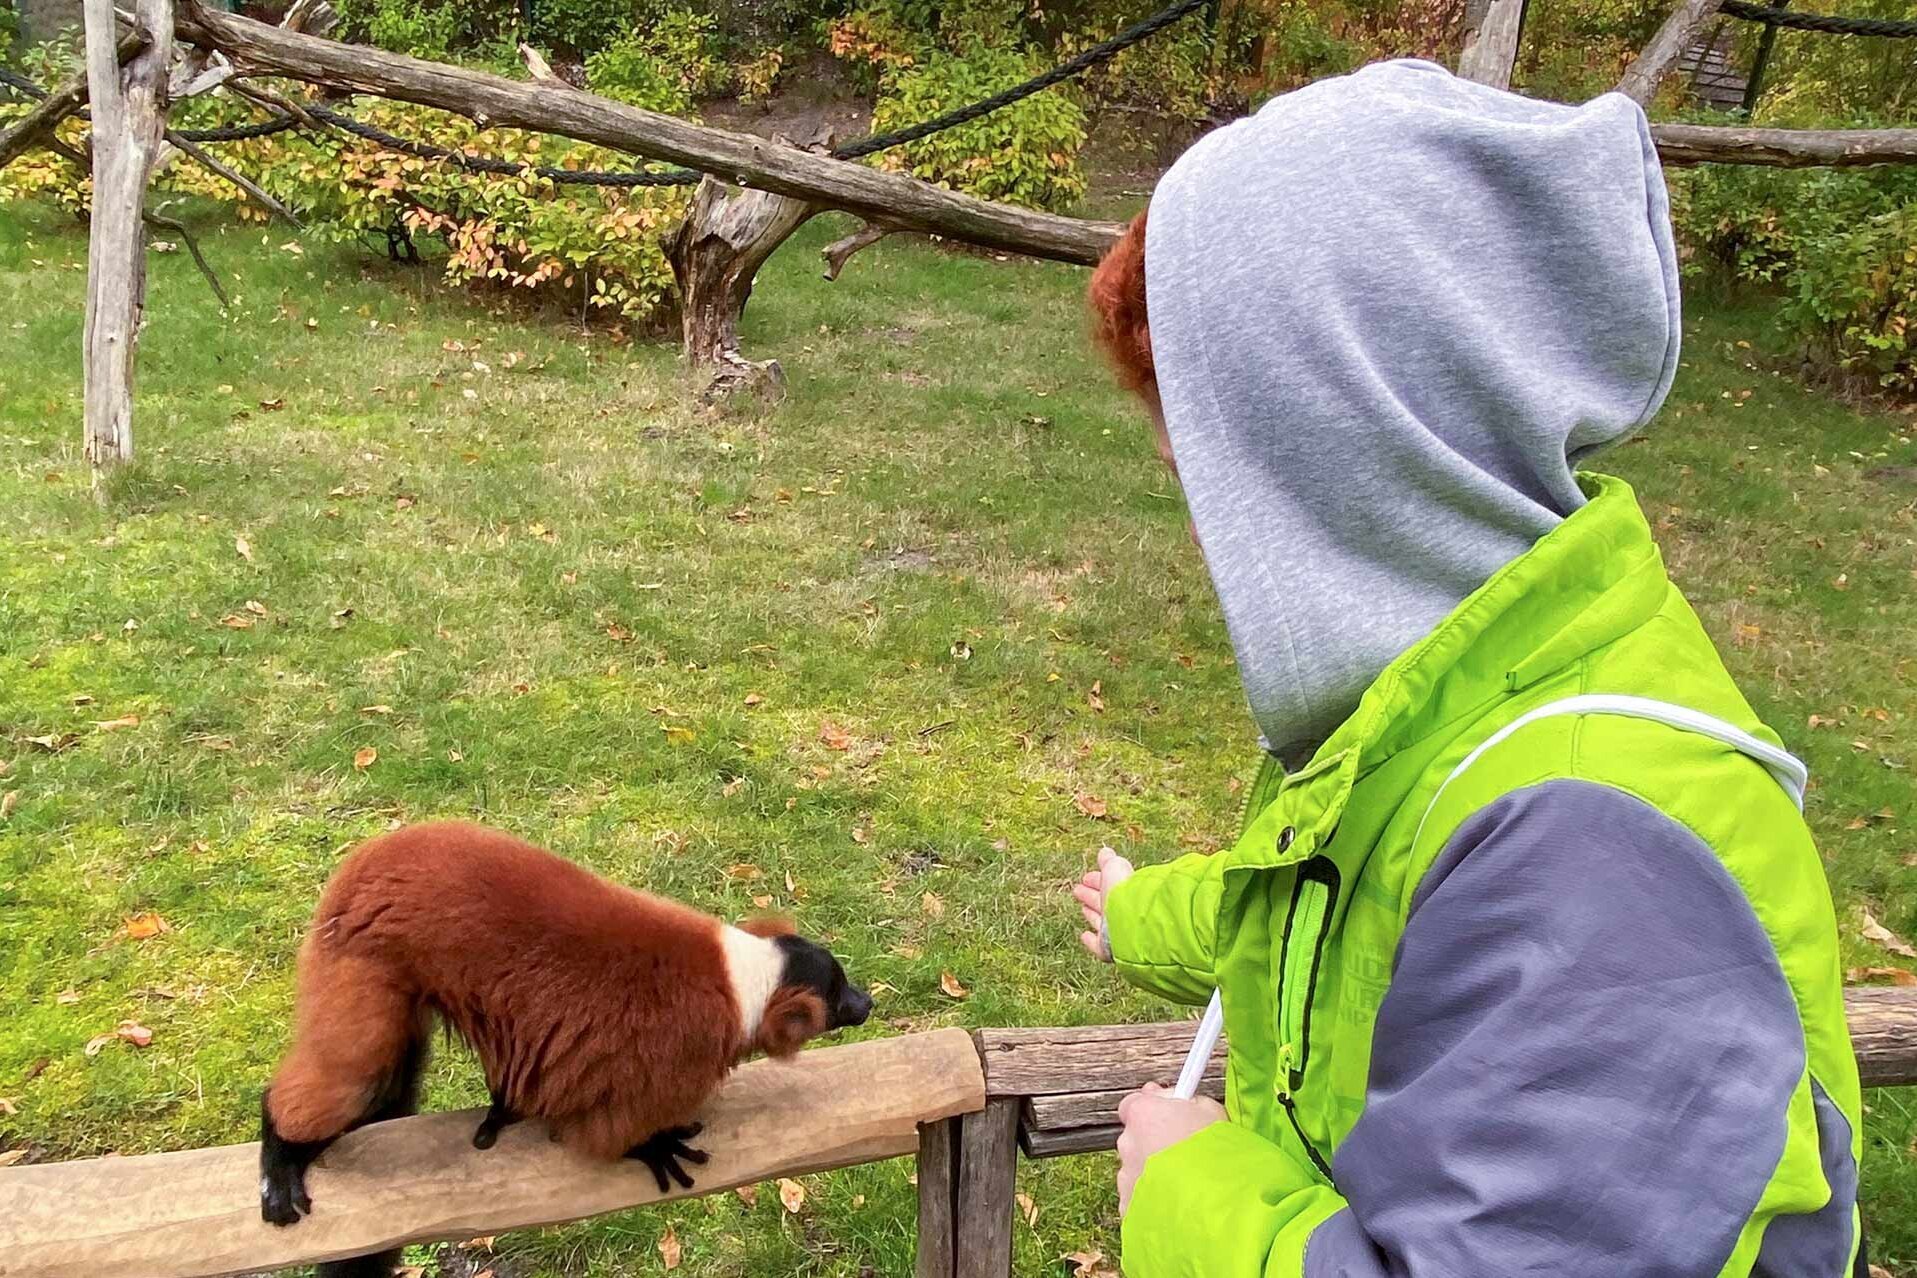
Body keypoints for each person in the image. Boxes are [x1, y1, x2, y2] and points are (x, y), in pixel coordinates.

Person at [1072, 58, 1864, 1278]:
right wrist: (1134, 912)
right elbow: (1326, 905)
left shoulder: (1589, 830)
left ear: (1349, 420)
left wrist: (1193, 1198)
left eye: (1209, 423)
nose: (1180, 476)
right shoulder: (1454, 706)